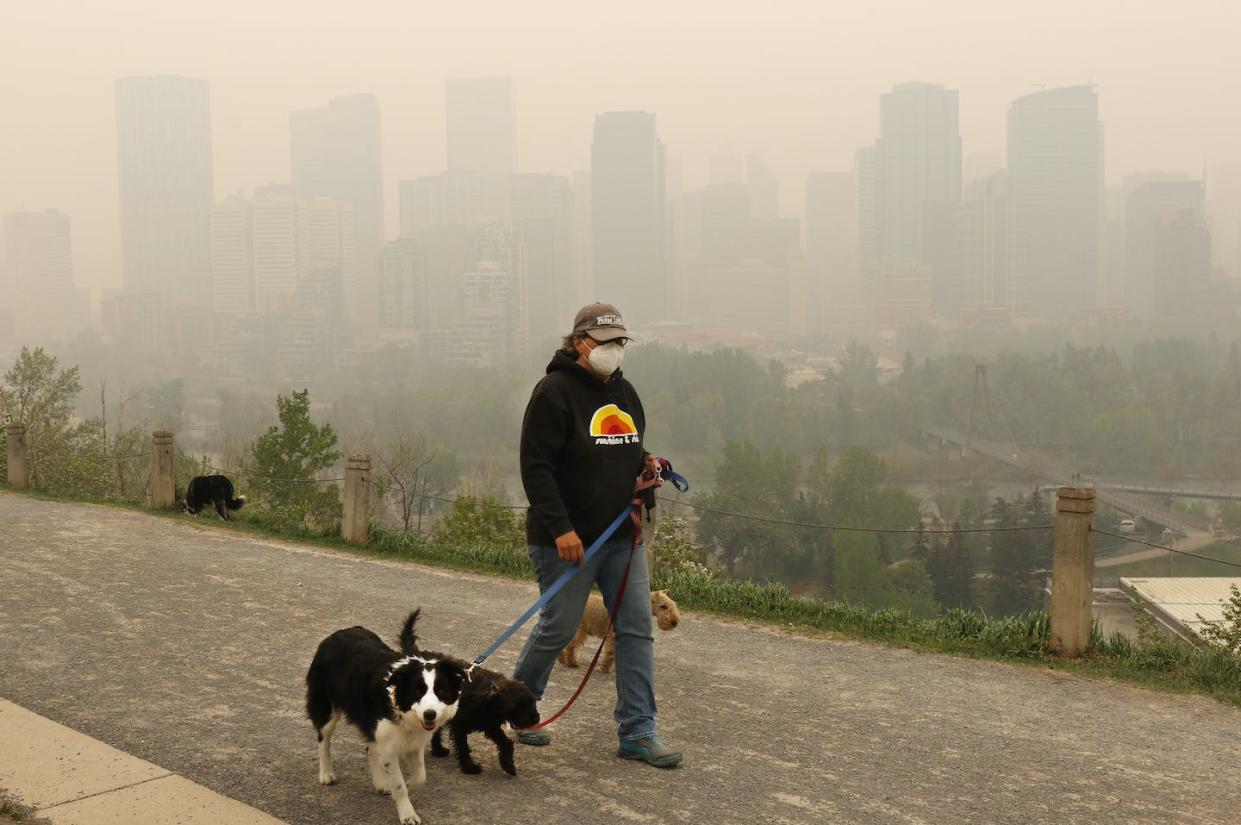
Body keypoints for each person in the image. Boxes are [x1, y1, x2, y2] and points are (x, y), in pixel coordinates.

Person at [511, 302, 683, 768]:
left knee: (634, 629)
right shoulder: (553, 392)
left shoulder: (624, 391)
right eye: (606, 341)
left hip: (622, 538)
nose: (614, 350)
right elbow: (536, 467)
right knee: (560, 627)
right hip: (566, 541)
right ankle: (517, 709)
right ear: (580, 342)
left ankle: (638, 731)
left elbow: (627, 444)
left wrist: (647, 462)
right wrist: (562, 529)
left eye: (620, 342)